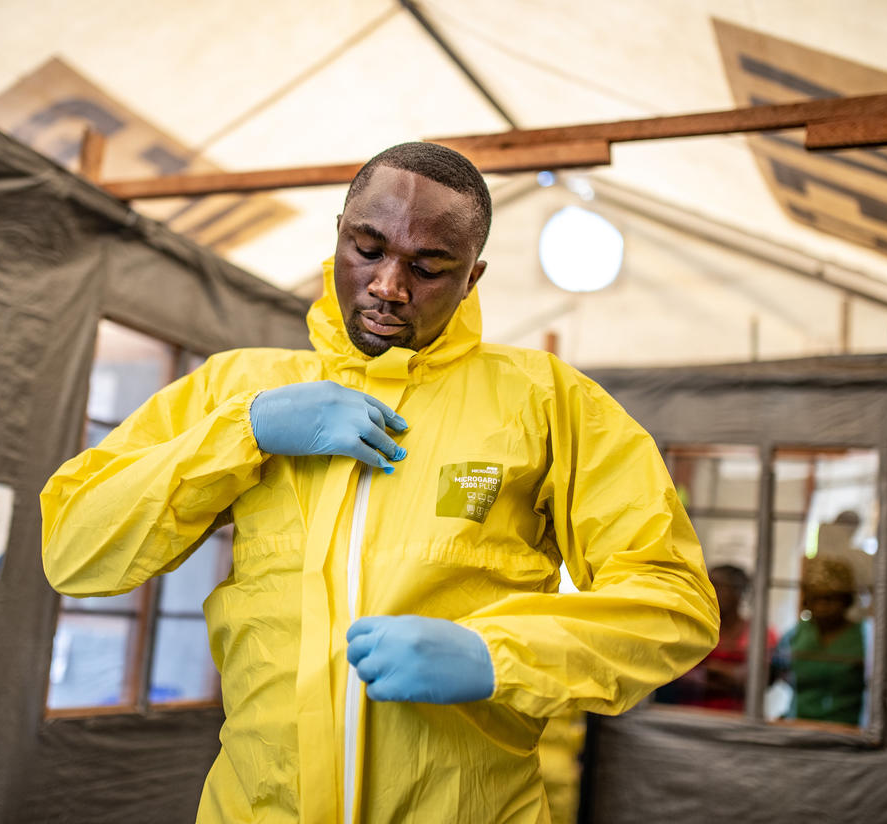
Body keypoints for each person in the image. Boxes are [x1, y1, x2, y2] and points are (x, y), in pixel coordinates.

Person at [41, 142, 719, 823]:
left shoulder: (546, 402)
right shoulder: (237, 387)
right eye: (366, 249)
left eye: (428, 267)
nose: (389, 286)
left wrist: (497, 654)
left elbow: (674, 604)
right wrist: (242, 431)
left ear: (472, 277)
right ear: (338, 233)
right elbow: (76, 550)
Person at [655, 563, 773, 712]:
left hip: (735, 720)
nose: (707, 592)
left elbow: (756, 681)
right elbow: (669, 672)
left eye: (716, 585)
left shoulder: (758, 633)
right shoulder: (689, 627)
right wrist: (728, 676)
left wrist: (709, 672)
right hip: (685, 717)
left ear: (737, 592)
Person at [775, 555, 865, 726]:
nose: (822, 607)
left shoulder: (864, 638)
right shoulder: (797, 634)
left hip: (848, 733)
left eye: (830, 599)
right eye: (815, 599)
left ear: (846, 600)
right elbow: (768, 674)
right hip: (798, 727)